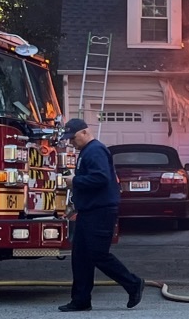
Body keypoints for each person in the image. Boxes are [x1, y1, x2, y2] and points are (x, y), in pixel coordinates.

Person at [58, 118, 145, 312]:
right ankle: (80, 300)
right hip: (88, 211)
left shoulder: (95, 150)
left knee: (98, 254)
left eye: (73, 138)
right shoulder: (87, 151)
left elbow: (100, 178)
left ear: (85, 132)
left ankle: (133, 283)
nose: (71, 142)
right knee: (80, 256)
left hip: (100, 211)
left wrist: (75, 181)